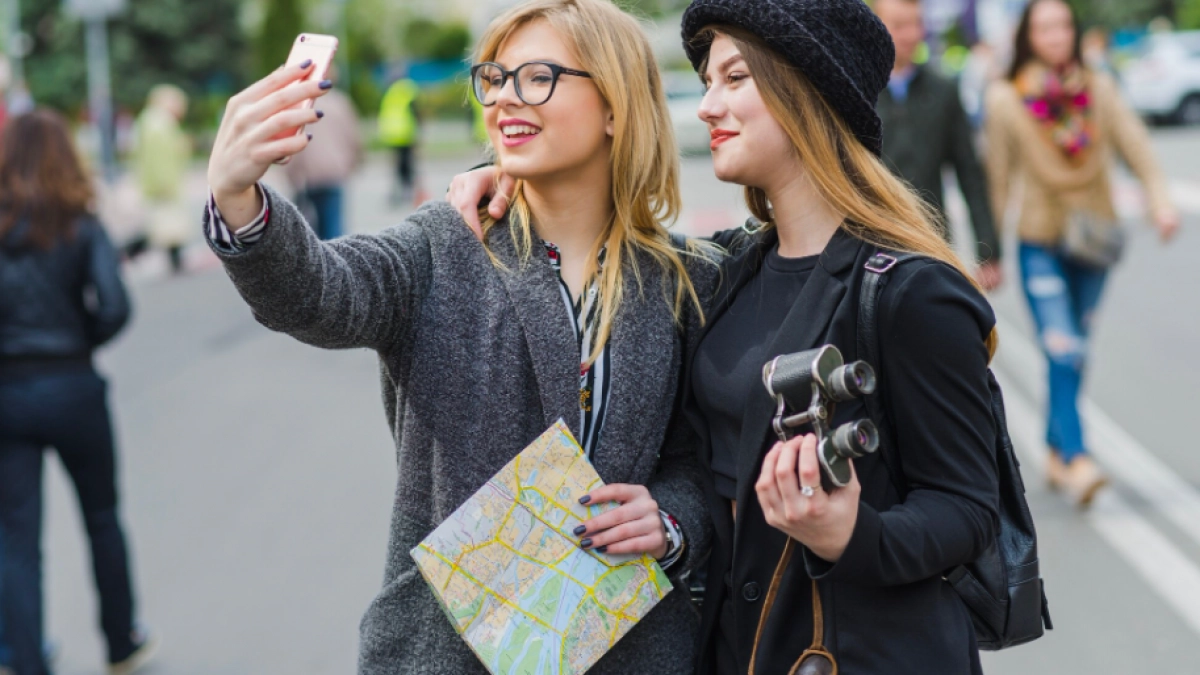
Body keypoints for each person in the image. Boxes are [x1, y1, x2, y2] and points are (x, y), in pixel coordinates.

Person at [449, 0, 1004, 672]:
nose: (708, 105)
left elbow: (968, 509)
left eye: (734, 79)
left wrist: (852, 534)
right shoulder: (724, 272)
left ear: (810, 92)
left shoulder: (910, 291)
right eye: (709, 82)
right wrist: (513, 176)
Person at [202, 0, 717, 672]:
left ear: (616, 105)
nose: (505, 96)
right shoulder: (446, 243)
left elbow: (699, 460)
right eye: (494, 77)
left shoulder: (686, 279)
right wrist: (237, 196)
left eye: (537, 76)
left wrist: (672, 521)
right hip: (451, 649)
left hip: (633, 648)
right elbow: (320, 292)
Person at [985, 0, 1179, 508]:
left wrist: (1160, 202)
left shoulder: (1099, 88)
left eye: (1064, 24)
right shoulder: (1006, 99)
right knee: (1063, 347)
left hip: (1095, 241)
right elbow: (998, 180)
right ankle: (1077, 457)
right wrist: (990, 253)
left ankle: (1054, 446)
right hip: (1040, 242)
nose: (1057, 34)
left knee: (1073, 352)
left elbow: (1135, 144)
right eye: (1045, 26)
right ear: (1029, 35)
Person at [0, 110, 156, 675]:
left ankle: (23, 656)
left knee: (15, 534)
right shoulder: (82, 223)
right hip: (74, 387)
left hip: (7, 395)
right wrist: (76, 343)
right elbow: (115, 306)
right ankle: (121, 643)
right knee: (102, 516)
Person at [873, 0, 1002, 290]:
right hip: (870, 240)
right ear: (876, 26)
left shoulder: (943, 91)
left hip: (932, 242)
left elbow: (970, 172)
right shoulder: (858, 90)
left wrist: (988, 250)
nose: (910, 34)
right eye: (899, 25)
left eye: (916, 24)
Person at [283, 65, 363, 240]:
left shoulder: (301, 107)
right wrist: (353, 163)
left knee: (310, 231)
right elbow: (353, 138)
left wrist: (291, 174)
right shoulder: (341, 103)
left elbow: (293, 145)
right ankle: (335, 264)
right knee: (335, 228)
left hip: (308, 177)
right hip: (335, 172)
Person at [133, 84, 192, 274]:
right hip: (164, 184)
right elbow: (160, 157)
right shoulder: (159, 123)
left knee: (163, 227)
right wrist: (164, 182)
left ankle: (133, 251)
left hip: (159, 183)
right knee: (167, 228)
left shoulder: (150, 120)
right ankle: (130, 251)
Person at [378, 67, 421, 207]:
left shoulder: (389, 91)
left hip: (392, 134)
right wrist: (419, 131)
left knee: (397, 165)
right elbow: (415, 110)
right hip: (406, 133)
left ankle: (395, 192)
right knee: (408, 164)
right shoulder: (408, 88)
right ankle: (406, 190)